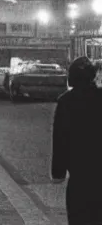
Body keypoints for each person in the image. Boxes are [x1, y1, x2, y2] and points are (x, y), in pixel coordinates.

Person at [51, 56, 102, 224]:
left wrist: (58, 172)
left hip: (79, 176)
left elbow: (60, 139)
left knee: (79, 217)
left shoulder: (66, 102)